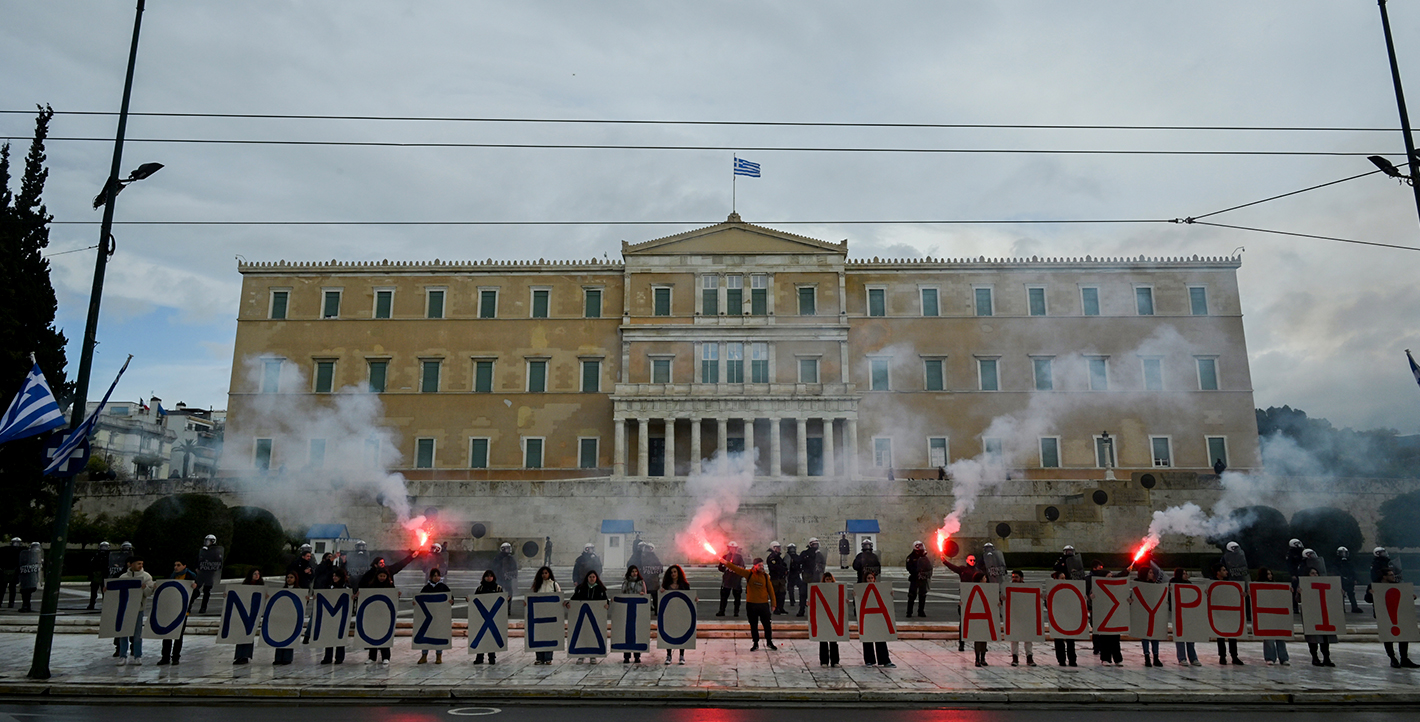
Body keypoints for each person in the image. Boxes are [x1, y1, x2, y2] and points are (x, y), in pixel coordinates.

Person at [720, 555, 777, 651]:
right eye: (759, 565)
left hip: (763, 604)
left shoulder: (766, 577)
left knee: (767, 624)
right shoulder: (749, 574)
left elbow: (771, 591)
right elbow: (736, 569)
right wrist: (725, 562)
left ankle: (769, 642)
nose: (761, 567)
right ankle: (755, 643)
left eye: (762, 565)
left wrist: (773, 604)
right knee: (753, 625)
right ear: (754, 566)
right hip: (751, 605)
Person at [1369, 567, 1419, 668]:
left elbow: (1402, 597)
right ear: (1384, 577)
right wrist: (1371, 594)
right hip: (1383, 614)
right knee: (1388, 636)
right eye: (1391, 575)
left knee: (1403, 636)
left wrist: (1411, 597)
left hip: (1398, 613)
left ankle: (1404, 658)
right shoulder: (1374, 586)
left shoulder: (1396, 585)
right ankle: (1393, 658)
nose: (1393, 577)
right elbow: (1368, 599)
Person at [1088, 560, 1129, 666]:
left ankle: (1117, 658)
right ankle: (1105, 658)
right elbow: (1092, 603)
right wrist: (1091, 598)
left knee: (1116, 639)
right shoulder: (1097, 588)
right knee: (1105, 639)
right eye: (1109, 576)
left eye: (1112, 576)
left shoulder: (1116, 588)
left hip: (1114, 616)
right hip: (1103, 616)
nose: (1111, 579)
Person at [114, 557, 154, 665]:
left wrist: (144, 588)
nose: (140, 565)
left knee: (137, 634)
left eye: (141, 563)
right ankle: (122, 656)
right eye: (138, 563)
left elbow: (149, 593)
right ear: (130, 564)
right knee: (123, 633)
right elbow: (116, 592)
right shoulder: (123, 577)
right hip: (125, 609)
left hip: (138, 609)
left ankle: (138, 655)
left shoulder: (146, 576)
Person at [158, 560, 198, 666]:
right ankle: (165, 657)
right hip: (170, 609)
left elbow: (196, 594)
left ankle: (175, 657)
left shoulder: (191, 577)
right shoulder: (171, 576)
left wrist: (194, 589)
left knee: (178, 635)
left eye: (178, 565)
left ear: (184, 566)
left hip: (183, 610)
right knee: (167, 633)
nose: (176, 567)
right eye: (175, 565)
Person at [943, 551, 982, 653]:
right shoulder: (963, 569)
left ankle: (980, 644)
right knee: (963, 622)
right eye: (970, 560)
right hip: (965, 598)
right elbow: (953, 567)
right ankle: (962, 643)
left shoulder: (979, 571)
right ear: (967, 561)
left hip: (976, 599)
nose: (972, 562)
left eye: (974, 560)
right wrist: (945, 561)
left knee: (978, 622)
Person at [1299, 567, 1336, 667]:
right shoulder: (1303, 585)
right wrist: (1299, 593)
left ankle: (1326, 657)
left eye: (1316, 573)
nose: (1315, 575)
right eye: (1312, 573)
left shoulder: (1324, 584)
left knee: (1325, 638)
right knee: (1313, 638)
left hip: (1322, 614)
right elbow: (1298, 600)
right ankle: (1314, 657)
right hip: (1310, 614)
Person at [569, 570, 608, 664]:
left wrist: (607, 604)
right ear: (587, 578)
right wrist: (569, 603)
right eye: (590, 577)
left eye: (593, 577)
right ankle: (581, 655)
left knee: (593, 635)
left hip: (595, 616)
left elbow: (605, 600)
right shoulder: (580, 588)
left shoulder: (600, 588)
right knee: (583, 634)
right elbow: (574, 598)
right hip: (584, 616)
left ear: (596, 578)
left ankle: (593, 655)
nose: (592, 579)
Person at [418, 568, 453, 665]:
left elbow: (450, 598)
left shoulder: (443, 587)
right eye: (434, 576)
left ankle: (439, 655)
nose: (436, 577)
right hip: (428, 616)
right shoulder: (426, 588)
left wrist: (451, 601)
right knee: (426, 634)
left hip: (439, 616)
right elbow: (420, 598)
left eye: (438, 575)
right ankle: (424, 655)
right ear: (430, 577)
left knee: (438, 635)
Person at [860, 570, 895, 667]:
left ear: (874, 579)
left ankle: (885, 660)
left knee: (880, 637)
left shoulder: (880, 589)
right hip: (867, 617)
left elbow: (886, 601)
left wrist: (890, 594)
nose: (870, 580)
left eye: (872, 578)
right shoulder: (861, 589)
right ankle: (869, 660)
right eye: (868, 578)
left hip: (878, 617)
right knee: (868, 638)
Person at [1212, 565, 1244, 665]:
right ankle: (1222, 656)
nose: (1226, 572)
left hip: (1229, 612)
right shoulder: (1212, 583)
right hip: (1219, 612)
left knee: (1232, 634)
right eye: (1224, 570)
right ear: (1218, 572)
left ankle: (1234, 656)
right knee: (1220, 636)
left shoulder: (1230, 582)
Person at [363, 568, 396, 665]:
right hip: (374, 614)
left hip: (385, 615)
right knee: (373, 634)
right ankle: (372, 657)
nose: (382, 578)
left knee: (384, 635)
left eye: (384, 576)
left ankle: (386, 656)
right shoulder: (371, 586)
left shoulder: (390, 586)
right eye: (380, 576)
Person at [317, 567, 349, 664]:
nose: (334, 578)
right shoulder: (329, 586)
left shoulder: (346, 587)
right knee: (329, 635)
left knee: (340, 635)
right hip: (330, 615)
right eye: (333, 576)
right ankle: (328, 656)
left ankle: (339, 657)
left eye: (336, 576)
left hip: (341, 615)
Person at [232, 569, 264, 664]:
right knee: (241, 633)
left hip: (253, 613)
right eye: (255, 574)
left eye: (258, 574)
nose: (257, 576)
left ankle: (246, 655)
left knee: (249, 634)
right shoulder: (245, 586)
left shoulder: (261, 587)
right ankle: (239, 655)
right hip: (244, 611)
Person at [530, 566, 560, 665]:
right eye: (542, 573)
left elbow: (559, 598)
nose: (544, 575)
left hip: (550, 614)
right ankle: (539, 657)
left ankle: (548, 658)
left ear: (549, 574)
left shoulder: (554, 585)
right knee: (539, 636)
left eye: (546, 573)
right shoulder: (536, 586)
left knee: (549, 636)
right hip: (538, 614)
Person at [661, 565, 691, 665]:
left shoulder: (685, 585)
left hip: (681, 612)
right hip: (670, 612)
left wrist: (694, 599)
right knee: (669, 630)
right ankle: (668, 655)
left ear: (678, 573)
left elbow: (689, 597)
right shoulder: (666, 586)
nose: (673, 574)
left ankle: (681, 655)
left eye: (675, 572)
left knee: (681, 631)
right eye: (671, 572)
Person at [1170, 568, 1201, 666]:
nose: (1186, 575)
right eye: (1184, 573)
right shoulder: (1173, 584)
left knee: (1189, 635)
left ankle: (1193, 658)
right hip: (1178, 612)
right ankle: (1182, 658)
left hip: (1188, 613)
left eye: (1186, 573)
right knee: (1180, 636)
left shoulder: (1189, 584)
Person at [1135, 566, 1163, 668]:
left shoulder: (1155, 585)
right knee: (1145, 636)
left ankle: (1156, 656)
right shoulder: (1138, 585)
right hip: (1143, 614)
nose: (1152, 574)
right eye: (1150, 572)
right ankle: (1147, 657)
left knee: (1155, 636)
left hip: (1153, 614)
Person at [1008, 570, 1036, 667]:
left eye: (1016, 577)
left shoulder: (1027, 588)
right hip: (1014, 615)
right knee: (1014, 638)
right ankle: (1015, 657)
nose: (1014, 579)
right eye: (1013, 577)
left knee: (1028, 637)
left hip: (1026, 616)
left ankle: (1029, 657)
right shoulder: (1008, 588)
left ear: (1022, 578)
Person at [1049, 571, 1078, 667]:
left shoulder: (1068, 589)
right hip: (1058, 617)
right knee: (1059, 640)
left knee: (1070, 640)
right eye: (1062, 578)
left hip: (1068, 616)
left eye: (1064, 578)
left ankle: (1072, 659)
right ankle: (1061, 660)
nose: (1064, 580)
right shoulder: (1052, 589)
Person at [620, 565, 647, 663]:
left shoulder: (641, 582)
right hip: (628, 608)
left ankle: (637, 656)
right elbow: (622, 593)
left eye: (636, 571)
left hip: (638, 609)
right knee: (627, 631)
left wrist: (642, 594)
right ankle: (626, 656)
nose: (634, 573)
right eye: (632, 571)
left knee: (637, 632)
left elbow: (645, 593)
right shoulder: (626, 582)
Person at [273, 572, 300, 665]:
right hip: (282, 618)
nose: (289, 579)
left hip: (292, 618)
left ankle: (287, 658)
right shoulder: (282, 590)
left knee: (290, 636)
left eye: (291, 577)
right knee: (280, 636)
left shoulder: (299, 590)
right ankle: (278, 657)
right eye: (288, 577)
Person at [192, 535, 224, 614]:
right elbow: (198, 559)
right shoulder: (203, 550)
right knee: (195, 589)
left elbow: (219, 562)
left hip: (209, 574)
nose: (206, 542)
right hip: (201, 573)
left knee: (206, 591)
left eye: (208, 540)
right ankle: (189, 605)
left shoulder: (216, 551)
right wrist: (197, 567)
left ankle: (203, 607)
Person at [797, 539, 826, 617]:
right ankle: (801, 609)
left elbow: (823, 564)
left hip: (815, 576)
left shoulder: (819, 554)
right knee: (803, 594)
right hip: (806, 576)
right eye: (814, 545)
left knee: (815, 595)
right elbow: (799, 561)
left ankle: (815, 610)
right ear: (810, 545)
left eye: (816, 544)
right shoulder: (805, 553)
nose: (815, 546)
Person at [716, 541, 745, 617]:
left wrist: (735, 568)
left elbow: (743, 567)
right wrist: (725, 569)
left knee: (737, 597)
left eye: (734, 548)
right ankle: (722, 611)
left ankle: (736, 612)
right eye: (731, 548)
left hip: (736, 580)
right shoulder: (724, 557)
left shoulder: (739, 557)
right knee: (724, 597)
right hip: (727, 580)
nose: (732, 550)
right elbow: (720, 567)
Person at [818, 572, 841, 667]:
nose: (828, 581)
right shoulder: (819, 589)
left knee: (833, 640)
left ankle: (835, 661)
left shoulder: (836, 589)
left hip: (833, 617)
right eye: (827, 579)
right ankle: (824, 661)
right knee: (823, 639)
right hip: (823, 617)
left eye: (830, 579)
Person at [905, 541, 933, 618]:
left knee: (922, 595)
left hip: (923, 579)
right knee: (911, 595)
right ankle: (909, 612)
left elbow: (928, 566)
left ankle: (921, 611)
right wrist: (916, 572)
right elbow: (909, 567)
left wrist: (925, 573)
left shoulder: (924, 558)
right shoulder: (910, 557)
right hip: (914, 578)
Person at [1336, 546, 1362, 613]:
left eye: (1345, 553)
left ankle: (1354, 607)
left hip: (1349, 579)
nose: (1344, 554)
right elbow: (1335, 571)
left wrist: (1355, 578)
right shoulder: (1337, 562)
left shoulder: (1349, 561)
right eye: (1342, 553)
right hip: (1341, 579)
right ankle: (1342, 608)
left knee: (1351, 594)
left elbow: (1353, 571)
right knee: (1341, 594)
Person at [17, 541, 42, 612]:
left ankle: (26, 606)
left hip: (31, 577)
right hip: (27, 576)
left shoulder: (36, 556)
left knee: (26, 592)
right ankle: (26, 605)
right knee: (25, 592)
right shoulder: (27, 555)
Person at [639, 543, 664, 610]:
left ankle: (649, 610)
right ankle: (655, 610)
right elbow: (660, 569)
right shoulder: (654, 558)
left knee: (647, 597)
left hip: (648, 582)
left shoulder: (643, 558)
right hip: (653, 582)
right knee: (654, 597)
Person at [88, 541, 111, 611]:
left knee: (104, 591)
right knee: (94, 591)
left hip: (104, 575)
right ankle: (91, 604)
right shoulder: (96, 555)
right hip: (96, 575)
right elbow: (91, 565)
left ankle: (105, 605)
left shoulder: (109, 555)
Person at [767, 542, 788, 615]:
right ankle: (776, 609)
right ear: (773, 548)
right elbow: (775, 567)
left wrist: (785, 569)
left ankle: (781, 608)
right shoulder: (772, 557)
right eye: (777, 547)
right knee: (775, 594)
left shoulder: (778, 557)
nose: (779, 548)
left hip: (781, 578)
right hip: (775, 579)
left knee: (782, 594)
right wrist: (783, 569)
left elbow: (782, 565)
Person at [1, 538, 22, 608]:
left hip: (5, 570)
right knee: (12, 588)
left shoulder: (4, 550)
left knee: (3, 588)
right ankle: (11, 603)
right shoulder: (20, 551)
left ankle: (1, 602)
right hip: (14, 570)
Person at [786, 543, 802, 610]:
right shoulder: (787, 557)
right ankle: (792, 601)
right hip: (791, 575)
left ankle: (795, 601)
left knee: (799, 588)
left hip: (795, 574)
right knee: (791, 589)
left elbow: (800, 564)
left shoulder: (795, 556)